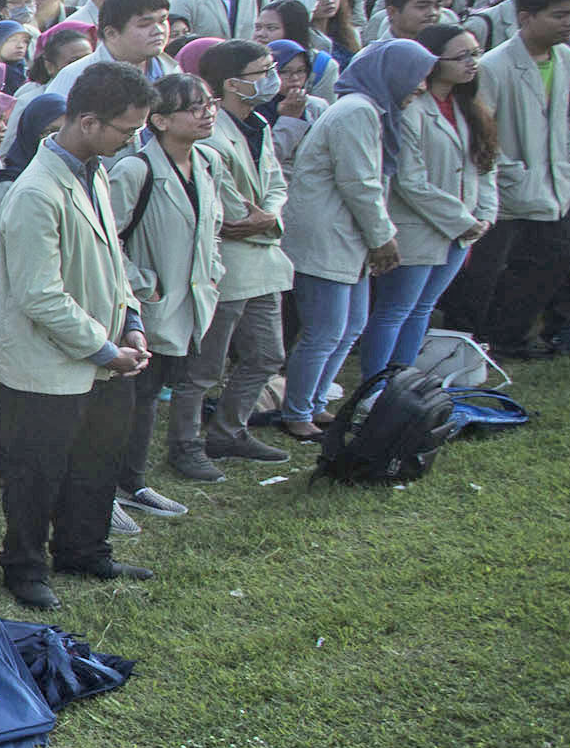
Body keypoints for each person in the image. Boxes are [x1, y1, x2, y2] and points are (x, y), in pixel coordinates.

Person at [0, 61, 154, 609]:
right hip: (48, 366)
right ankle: (24, 565)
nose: (131, 141)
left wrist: (131, 321)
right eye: (125, 131)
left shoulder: (95, 171)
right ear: (87, 121)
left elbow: (113, 257)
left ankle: (85, 548)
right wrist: (107, 349)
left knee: (96, 460)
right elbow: (41, 296)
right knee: (36, 474)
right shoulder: (36, 191)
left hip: (101, 356)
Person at [277, 40, 414, 438]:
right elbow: (359, 182)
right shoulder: (357, 111)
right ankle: (297, 410)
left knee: (350, 326)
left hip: (347, 233)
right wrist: (383, 237)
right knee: (325, 331)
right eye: (414, 77)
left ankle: (315, 403)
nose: (419, 86)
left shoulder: (372, 110)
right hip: (328, 233)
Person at [103, 75, 231, 502]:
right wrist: (143, 284)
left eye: (209, 103)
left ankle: (131, 477)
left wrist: (213, 270)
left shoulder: (208, 162)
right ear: (158, 120)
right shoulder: (136, 170)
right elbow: (107, 239)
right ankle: (126, 480)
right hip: (149, 304)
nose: (207, 113)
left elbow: (213, 226)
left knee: (153, 393)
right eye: (193, 107)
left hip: (190, 298)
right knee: (139, 396)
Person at [461, 0, 570, 358]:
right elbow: (482, 130)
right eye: (559, 15)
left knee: (557, 257)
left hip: (552, 185)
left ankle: (511, 334)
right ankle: (476, 339)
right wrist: (504, 169)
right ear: (526, 17)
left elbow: (562, 114)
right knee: (486, 270)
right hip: (507, 188)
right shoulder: (495, 67)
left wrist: (569, 147)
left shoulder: (564, 56)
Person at [365, 24, 498, 376]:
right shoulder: (412, 107)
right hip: (419, 228)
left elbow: (484, 165)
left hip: (462, 230)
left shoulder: (468, 106)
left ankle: (403, 380)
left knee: (423, 308)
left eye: (475, 53)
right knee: (396, 309)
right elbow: (410, 181)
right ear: (433, 61)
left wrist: (484, 214)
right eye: (462, 56)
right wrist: (465, 221)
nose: (472, 62)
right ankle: (376, 385)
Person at [193, 41, 294, 462]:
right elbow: (231, 210)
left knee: (268, 354)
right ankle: (187, 442)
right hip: (229, 262)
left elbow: (275, 183)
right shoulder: (210, 133)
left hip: (264, 257)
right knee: (206, 367)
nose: (274, 78)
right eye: (263, 71)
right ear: (232, 83)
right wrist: (259, 219)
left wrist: (270, 216)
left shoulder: (260, 126)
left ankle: (229, 429)